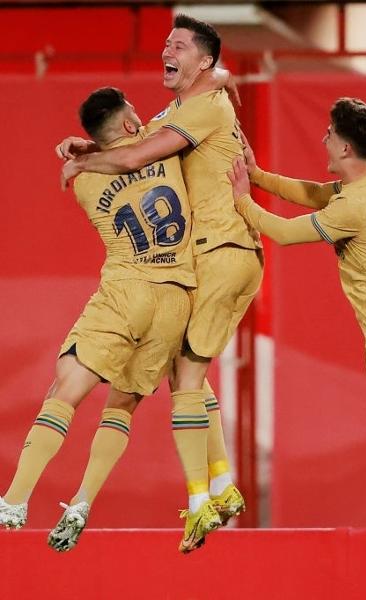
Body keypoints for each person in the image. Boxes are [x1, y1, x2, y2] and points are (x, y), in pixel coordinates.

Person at [56, 14, 263, 553]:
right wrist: (84, 144)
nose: (165, 52)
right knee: (184, 367)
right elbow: (136, 136)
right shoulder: (180, 109)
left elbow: (130, 154)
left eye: (178, 46)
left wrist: (85, 163)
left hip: (222, 251)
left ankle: (202, 503)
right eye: (165, 45)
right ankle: (221, 486)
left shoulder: (202, 105)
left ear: (204, 60)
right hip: (216, 255)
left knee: (186, 379)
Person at [228, 98, 366, 587]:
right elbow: (317, 195)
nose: (323, 139)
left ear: (346, 146)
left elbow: (284, 234)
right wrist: (260, 175)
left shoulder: (356, 204)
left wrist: (242, 197)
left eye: (329, 133)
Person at [0, 86, 197, 552]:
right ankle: (84, 501)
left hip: (126, 292)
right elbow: (141, 146)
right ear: (131, 124)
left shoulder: (85, 183)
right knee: (122, 405)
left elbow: (120, 158)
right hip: (176, 299)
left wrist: (85, 151)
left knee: (64, 390)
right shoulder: (166, 140)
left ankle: (14, 500)